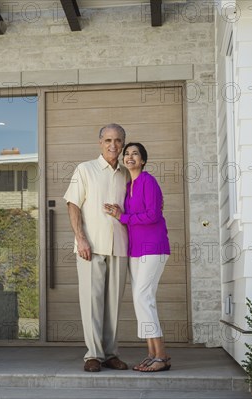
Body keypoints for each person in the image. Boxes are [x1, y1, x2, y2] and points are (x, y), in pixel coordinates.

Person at [63, 123, 130, 373]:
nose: (113, 145)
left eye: (118, 141)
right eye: (108, 140)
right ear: (100, 142)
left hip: (121, 246)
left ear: (123, 143)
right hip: (91, 246)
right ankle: (93, 354)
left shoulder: (126, 173)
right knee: (92, 302)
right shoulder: (85, 169)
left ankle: (111, 353)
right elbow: (72, 204)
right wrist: (80, 238)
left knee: (113, 304)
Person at [104, 142, 172, 372]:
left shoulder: (148, 181)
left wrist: (123, 217)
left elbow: (153, 215)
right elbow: (131, 215)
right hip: (136, 250)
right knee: (141, 300)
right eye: (127, 154)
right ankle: (153, 354)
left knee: (144, 298)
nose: (130, 156)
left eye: (135, 154)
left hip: (153, 247)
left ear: (143, 160)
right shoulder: (128, 185)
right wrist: (117, 212)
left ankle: (161, 356)